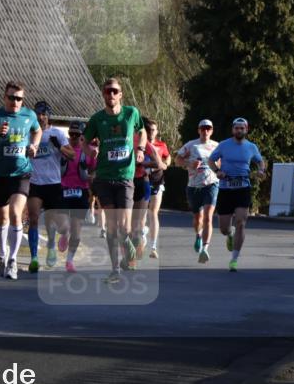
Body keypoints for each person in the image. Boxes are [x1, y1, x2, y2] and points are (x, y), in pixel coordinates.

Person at [83, 78, 146, 283]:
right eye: (107, 91)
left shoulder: (131, 113)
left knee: (124, 227)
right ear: (103, 94)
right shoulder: (96, 119)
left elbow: (142, 131)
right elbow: (85, 142)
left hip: (125, 178)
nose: (111, 94)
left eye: (114, 91)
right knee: (111, 226)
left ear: (120, 94)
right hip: (104, 177)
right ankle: (115, 269)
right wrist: (90, 151)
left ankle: (127, 242)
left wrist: (141, 149)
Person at [0, 82, 41, 280]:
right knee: (2, 219)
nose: (15, 101)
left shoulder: (29, 115)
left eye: (19, 98)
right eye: (11, 97)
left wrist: (34, 146)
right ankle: (2, 255)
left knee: (15, 213)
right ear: (4, 97)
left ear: (23, 100)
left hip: (21, 174)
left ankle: (13, 261)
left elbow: (37, 131)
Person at [208, 117, 266, 271]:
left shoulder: (251, 147)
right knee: (224, 229)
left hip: (243, 188)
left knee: (241, 222)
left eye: (242, 128)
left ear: (246, 130)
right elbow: (211, 160)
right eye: (236, 128)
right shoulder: (224, 145)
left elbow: (260, 161)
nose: (239, 130)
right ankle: (230, 234)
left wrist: (261, 170)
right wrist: (218, 171)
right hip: (226, 188)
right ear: (233, 129)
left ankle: (234, 259)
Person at [26, 101, 74, 272]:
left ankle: (52, 246)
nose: (41, 117)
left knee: (63, 227)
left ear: (48, 115)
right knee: (33, 218)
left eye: (44, 114)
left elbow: (72, 155)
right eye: (38, 114)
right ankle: (33, 258)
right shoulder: (29, 133)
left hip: (53, 184)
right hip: (35, 183)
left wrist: (59, 146)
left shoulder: (56, 133)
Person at [175, 119, 220, 263]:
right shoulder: (191, 145)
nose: (205, 131)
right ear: (198, 130)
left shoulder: (217, 146)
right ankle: (198, 235)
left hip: (211, 184)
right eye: (203, 128)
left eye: (208, 128)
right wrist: (189, 163)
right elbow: (177, 160)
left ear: (212, 131)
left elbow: (221, 163)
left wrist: (218, 167)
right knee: (198, 219)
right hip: (194, 186)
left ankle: (205, 249)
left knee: (208, 217)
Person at [58, 121, 96, 272]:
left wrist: (91, 176)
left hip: (81, 191)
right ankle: (64, 234)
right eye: (71, 134)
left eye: (77, 134)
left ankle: (69, 260)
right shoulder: (63, 148)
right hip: (63, 189)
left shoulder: (89, 151)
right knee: (63, 226)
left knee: (76, 229)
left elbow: (95, 169)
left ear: (83, 136)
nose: (73, 137)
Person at [143, 119, 171, 259]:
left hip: (157, 181)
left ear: (157, 131)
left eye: (153, 130)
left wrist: (165, 163)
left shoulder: (161, 145)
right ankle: (143, 233)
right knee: (141, 213)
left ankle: (153, 246)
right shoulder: (140, 144)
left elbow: (168, 157)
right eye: (149, 130)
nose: (151, 132)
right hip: (142, 181)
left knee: (153, 212)